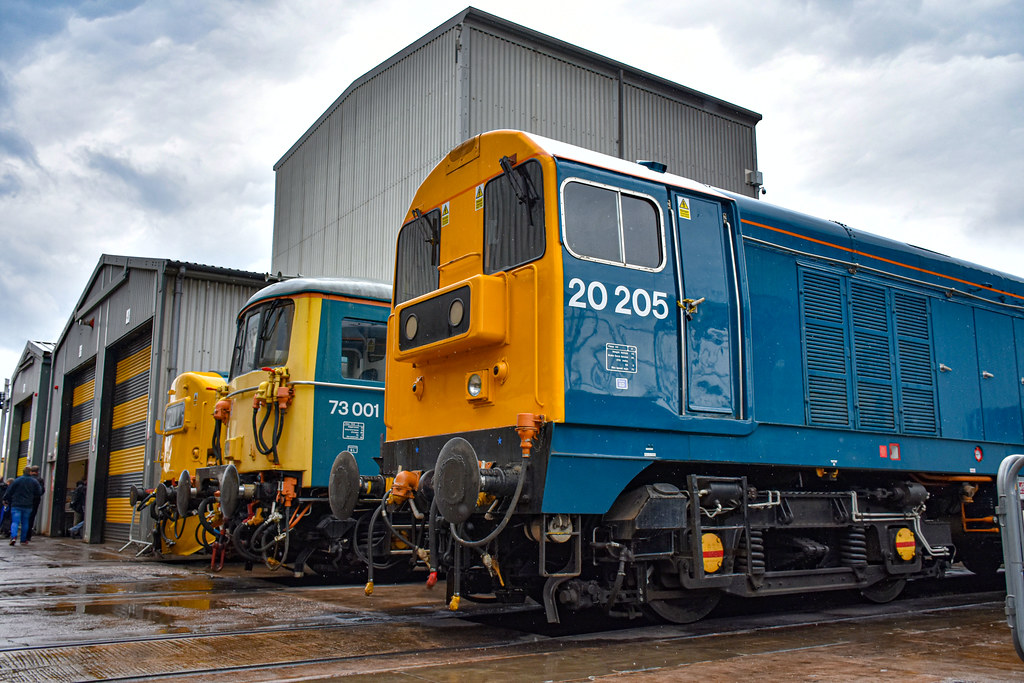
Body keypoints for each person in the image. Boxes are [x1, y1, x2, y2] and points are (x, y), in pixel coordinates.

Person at [3, 467, 43, 546]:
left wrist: (6, 499)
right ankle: (23, 540)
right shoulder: (34, 482)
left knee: (15, 521)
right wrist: (32, 497)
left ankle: (13, 537)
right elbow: (39, 492)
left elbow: (9, 491)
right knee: (25, 522)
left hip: (16, 504)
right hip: (28, 505)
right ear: (30, 472)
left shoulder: (17, 480)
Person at [24, 465, 44, 543]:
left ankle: (23, 534)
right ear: (37, 472)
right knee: (31, 517)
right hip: (35, 500)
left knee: (24, 517)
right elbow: (42, 491)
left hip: (26, 500)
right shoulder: (39, 480)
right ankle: (28, 535)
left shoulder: (26, 479)